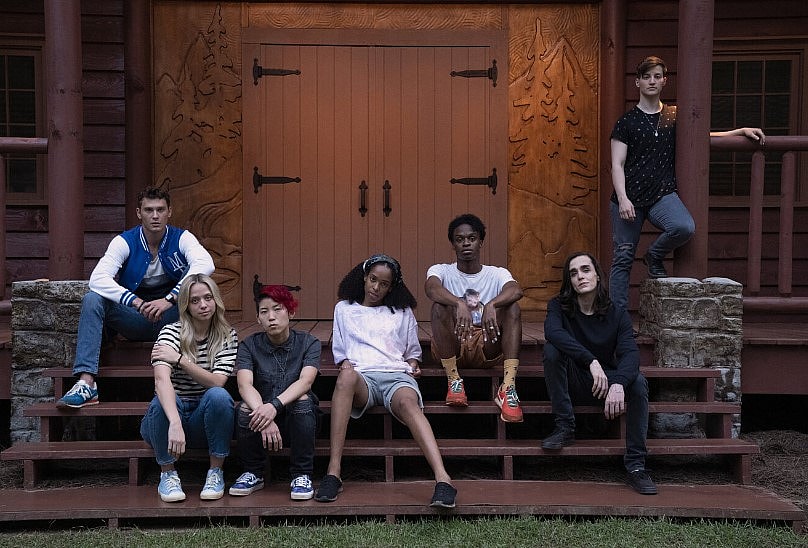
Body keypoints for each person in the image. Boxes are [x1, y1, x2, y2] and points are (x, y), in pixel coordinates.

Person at [609, 55, 766, 310]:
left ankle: (654, 255)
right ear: (637, 82)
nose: (652, 81)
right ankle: (617, 319)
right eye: (646, 77)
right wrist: (624, 198)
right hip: (629, 198)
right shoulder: (626, 122)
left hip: (661, 194)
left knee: (684, 227)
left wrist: (739, 132)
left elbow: (702, 136)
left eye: (657, 76)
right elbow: (617, 164)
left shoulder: (674, 115)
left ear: (664, 81)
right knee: (623, 257)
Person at [314, 254, 457, 508]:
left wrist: (413, 364)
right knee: (345, 377)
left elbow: (412, 352)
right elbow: (341, 352)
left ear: (391, 287)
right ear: (364, 277)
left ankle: (443, 480)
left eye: (384, 284)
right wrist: (344, 364)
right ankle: (333, 473)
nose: (376, 288)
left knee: (409, 403)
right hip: (362, 378)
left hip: (395, 376)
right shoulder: (344, 309)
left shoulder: (401, 312)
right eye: (373, 280)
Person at [58, 186, 215, 408]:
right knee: (92, 299)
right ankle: (86, 383)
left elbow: (206, 263)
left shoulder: (182, 238)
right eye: (149, 210)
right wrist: (137, 302)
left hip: (175, 319)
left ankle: (211, 356)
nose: (155, 216)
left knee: (201, 282)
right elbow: (98, 278)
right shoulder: (125, 241)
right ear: (139, 213)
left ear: (169, 212)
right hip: (136, 319)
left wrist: (169, 299)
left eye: (160, 210)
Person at [542, 252, 656, 495]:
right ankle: (565, 427)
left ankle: (636, 465)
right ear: (569, 281)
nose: (580, 276)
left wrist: (619, 383)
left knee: (638, 382)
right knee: (552, 351)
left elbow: (630, 354)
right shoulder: (558, 306)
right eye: (573, 273)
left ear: (597, 275)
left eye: (585, 270)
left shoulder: (616, 313)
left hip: (606, 385)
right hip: (575, 380)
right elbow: (553, 333)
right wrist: (591, 361)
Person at [139, 274, 238, 502]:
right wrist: (175, 422)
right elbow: (161, 381)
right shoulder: (170, 332)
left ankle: (215, 472)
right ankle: (168, 474)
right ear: (185, 305)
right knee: (162, 400)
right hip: (170, 416)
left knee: (219, 396)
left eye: (208, 298)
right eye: (195, 300)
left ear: (216, 300)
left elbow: (217, 381)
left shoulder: (227, 336)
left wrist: (180, 359)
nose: (203, 305)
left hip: (203, 418)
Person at [425, 213, 524, 422]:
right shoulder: (441, 270)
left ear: (481, 242)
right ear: (453, 244)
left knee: (512, 308)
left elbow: (516, 290)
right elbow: (431, 288)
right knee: (439, 307)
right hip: (453, 342)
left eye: (472, 238)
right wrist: (458, 303)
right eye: (459, 239)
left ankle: (508, 387)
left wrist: (492, 304)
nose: (466, 243)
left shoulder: (496, 273)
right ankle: (453, 380)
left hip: (486, 343)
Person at [229, 284, 321, 501]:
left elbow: (306, 381)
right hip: (260, 424)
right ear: (258, 318)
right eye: (264, 311)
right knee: (245, 407)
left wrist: (274, 406)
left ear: (291, 312)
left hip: (298, 420)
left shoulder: (309, 343)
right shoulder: (249, 345)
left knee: (302, 400)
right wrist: (265, 414)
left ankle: (301, 474)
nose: (271, 317)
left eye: (277, 309)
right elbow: (244, 385)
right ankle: (253, 472)